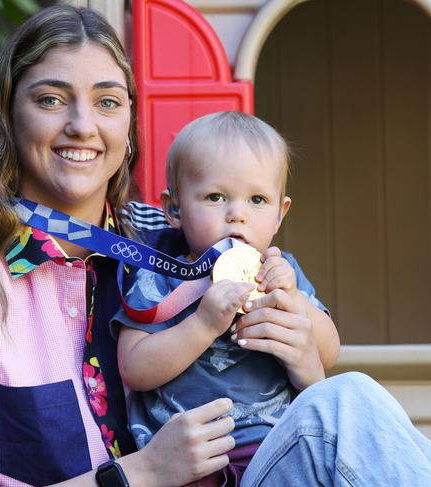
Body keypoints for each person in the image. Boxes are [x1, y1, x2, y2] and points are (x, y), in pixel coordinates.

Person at [0, 4, 431, 487]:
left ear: (130, 125)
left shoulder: (171, 236)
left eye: (108, 101)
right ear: (6, 117)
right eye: (50, 99)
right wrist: (136, 474)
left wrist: (303, 359)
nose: (82, 125)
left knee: (340, 403)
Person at [113, 111, 338, 486]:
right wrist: (202, 325)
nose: (237, 215)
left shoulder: (281, 271)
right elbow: (134, 368)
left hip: (277, 451)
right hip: (190, 459)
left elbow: (328, 353)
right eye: (215, 197)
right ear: (174, 209)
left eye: (257, 200)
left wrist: (296, 301)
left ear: (280, 214)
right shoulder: (160, 278)